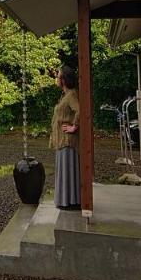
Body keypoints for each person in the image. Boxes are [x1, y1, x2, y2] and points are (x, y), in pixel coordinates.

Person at [50, 65, 81, 210]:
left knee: (68, 170)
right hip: (62, 140)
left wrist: (74, 126)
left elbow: (79, 110)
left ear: (64, 79)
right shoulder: (66, 95)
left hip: (68, 141)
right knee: (63, 170)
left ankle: (71, 201)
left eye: (58, 76)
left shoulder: (72, 95)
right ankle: (66, 200)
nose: (57, 78)